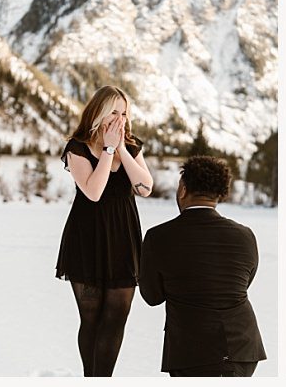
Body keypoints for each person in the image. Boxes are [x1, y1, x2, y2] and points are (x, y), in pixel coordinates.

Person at [55, 86, 154, 376]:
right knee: (92, 318)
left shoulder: (132, 147)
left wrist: (122, 148)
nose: (120, 118)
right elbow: (94, 192)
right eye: (114, 111)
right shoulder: (78, 147)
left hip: (123, 238)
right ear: (99, 111)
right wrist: (108, 150)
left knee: (116, 318)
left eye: (124, 113)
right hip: (88, 239)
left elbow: (145, 188)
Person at [139, 155, 267, 377]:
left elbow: (152, 296)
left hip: (192, 351)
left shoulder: (159, 237)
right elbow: (242, 283)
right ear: (220, 193)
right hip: (243, 349)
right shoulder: (245, 236)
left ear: (183, 189)